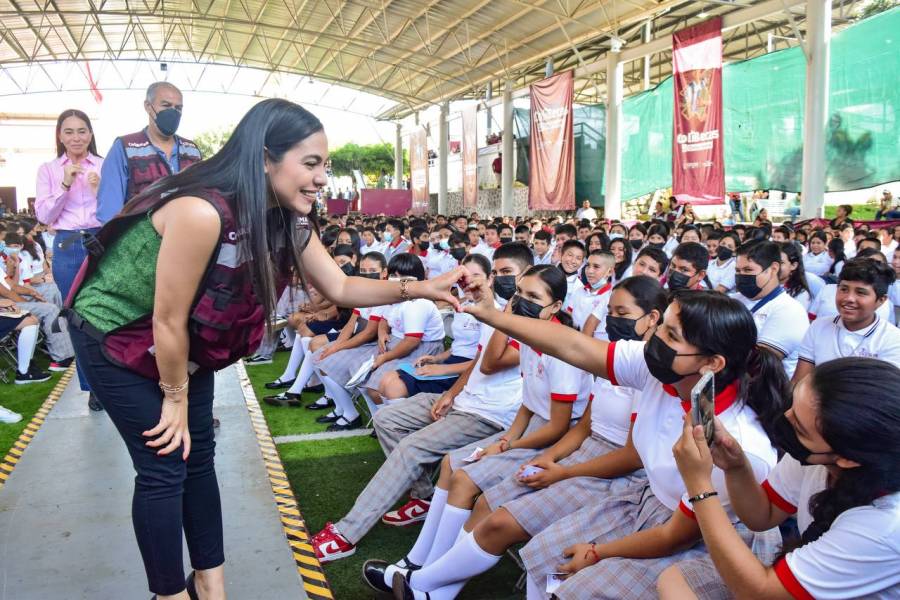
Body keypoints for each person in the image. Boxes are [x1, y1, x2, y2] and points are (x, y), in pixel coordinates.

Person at [64, 99, 463, 600]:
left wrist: (420, 288)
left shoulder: (287, 220)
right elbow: (167, 319)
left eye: (326, 166)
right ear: (264, 160)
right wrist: (174, 396)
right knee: (164, 464)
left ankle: (211, 586)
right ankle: (168, 594)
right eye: (311, 163)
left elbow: (340, 288)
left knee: (199, 456)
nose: (322, 178)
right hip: (113, 332)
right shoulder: (201, 211)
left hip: (178, 341)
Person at [414, 287, 786, 600]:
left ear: (713, 363)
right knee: (546, 556)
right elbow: (573, 346)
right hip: (650, 500)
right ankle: (423, 587)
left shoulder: (736, 446)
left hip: (708, 542)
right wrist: (493, 316)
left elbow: (676, 536)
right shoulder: (667, 371)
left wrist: (597, 552)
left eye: (672, 336)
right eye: (662, 328)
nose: (654, 339)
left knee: (575, 589)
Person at [373, 265, 592, 596]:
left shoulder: (558, 347)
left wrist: (505, 446)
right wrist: (507, 440)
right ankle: (417, 565)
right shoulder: (533, 335)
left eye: (533, 297)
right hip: (531, 427)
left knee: (464, 477)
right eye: (519, 294)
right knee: (451, 464)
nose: (522, 302)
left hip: (554, 437)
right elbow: (528, 404)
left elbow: (558, 425)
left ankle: (428, 580)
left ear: (557, 307)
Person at [310, 242, 533, 562]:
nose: (498, 279)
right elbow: (478, 359)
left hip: (491, 415)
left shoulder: (530, 321)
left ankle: (347, 533)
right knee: (387, 419)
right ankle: (424, 497)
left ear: (528, 275)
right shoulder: (496, 307)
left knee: (412, 447)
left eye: (506, 273)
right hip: (467, 400)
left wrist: (497, 310)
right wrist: (452, 393)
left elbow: (491, 362)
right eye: (496, 272)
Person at [664, 358, 900, 599]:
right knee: (673, 580)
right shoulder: (818, 456)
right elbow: (762, 514)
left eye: (798, 426)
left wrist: (700, 486)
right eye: (793, 406)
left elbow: (760, 592)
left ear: (847, 458)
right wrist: (735, 467)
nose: (785, 418)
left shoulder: (883, 527)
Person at [33, 109, 100, 402]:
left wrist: (99, 190)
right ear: (60, 135)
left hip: (101, 240)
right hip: (67, 245)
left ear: (91, 134)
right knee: (76, 317)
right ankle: (92, 388)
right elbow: (45, 215)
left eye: (82, 130)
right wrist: (64, 184)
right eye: (69, 131)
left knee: (105, 313)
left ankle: (111, 381)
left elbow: (118, 210)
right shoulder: (48, 169)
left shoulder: (103, 164)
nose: (76, 137)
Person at [96, 82, 202, 224]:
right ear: (148, 106)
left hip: (187, 236)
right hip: (140, 240)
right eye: (166, 105)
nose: (173, 112)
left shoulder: (192, 150)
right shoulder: (125, 147)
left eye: (178, 108)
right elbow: (109, 211)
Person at [793, 258, 899, 386]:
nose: (848, 298)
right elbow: (800, 381)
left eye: (860, 292)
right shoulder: (819, 327)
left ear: (881, 300)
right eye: (843, 289)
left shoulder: (892, 339)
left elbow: (883, 395)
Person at [733, 240, 808, 377]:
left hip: (766, 391)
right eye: (738, 271)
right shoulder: (735, 300)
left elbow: (759, 363)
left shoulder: (789, 311)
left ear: (773, 269)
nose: (741, 275)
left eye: (748, 270)